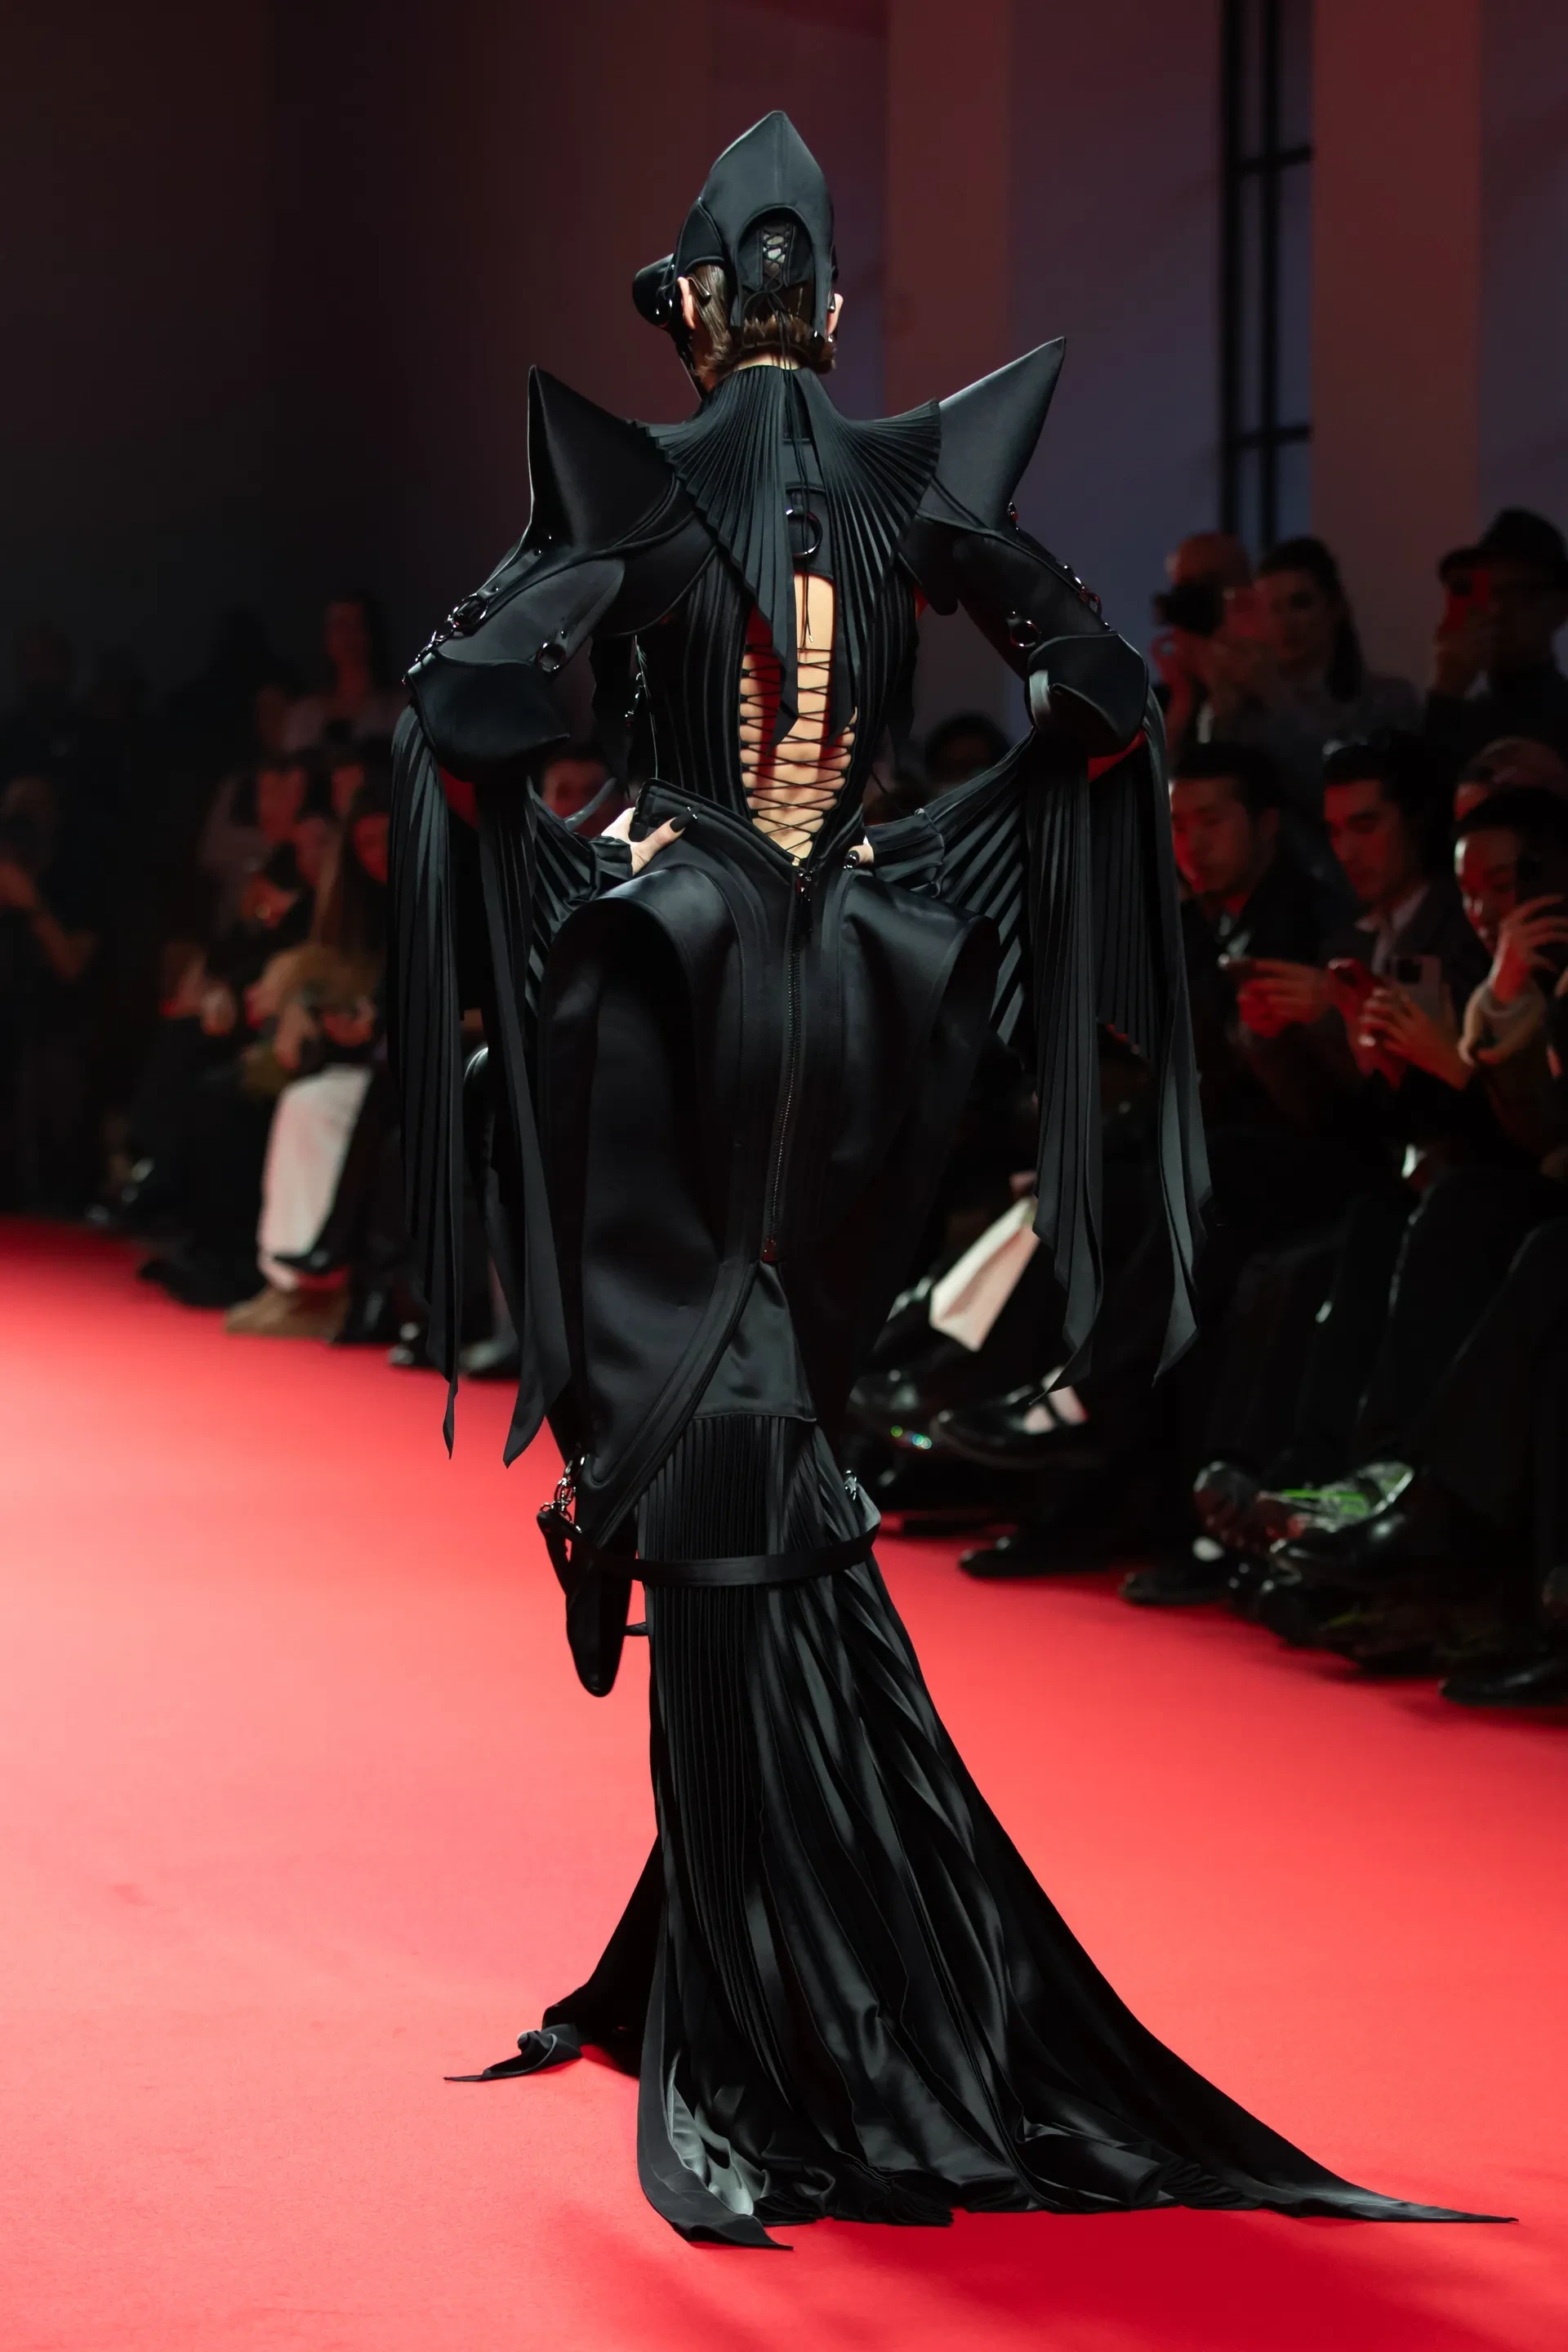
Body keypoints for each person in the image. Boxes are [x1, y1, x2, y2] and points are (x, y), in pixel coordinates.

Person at [390, 114, 1483, 2244]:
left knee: (707, 1414)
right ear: (825, 303)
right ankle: (767, 1932)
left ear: (700, 306)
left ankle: (772, 1984)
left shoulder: (640, 474)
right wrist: (986, 819)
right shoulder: (920, 476)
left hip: (687, 964)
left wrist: (562, 824)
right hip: (869, 975)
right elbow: (1095, 685)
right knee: (769, 1406)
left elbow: (471, 690)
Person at [1198, 537, 1419, 813]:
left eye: (1300, 604)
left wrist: (1276, 696)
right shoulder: (1248, 708)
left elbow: (1340, 793)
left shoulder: (1388, 699)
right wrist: (1218, 713)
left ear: (1334, 606)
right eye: (1273, 608)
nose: (1286, 622)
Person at [1426, 508, 1568, 776]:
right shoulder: (1462, 716)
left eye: (1517, 593)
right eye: (1481, 592)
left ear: (1561, 606)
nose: (1494, 610)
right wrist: (1447, 689)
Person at [283, 591, 407, 752]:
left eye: (356, 626)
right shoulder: (305, 716)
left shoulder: (400, 712)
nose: (348, 637)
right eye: (339, 626)